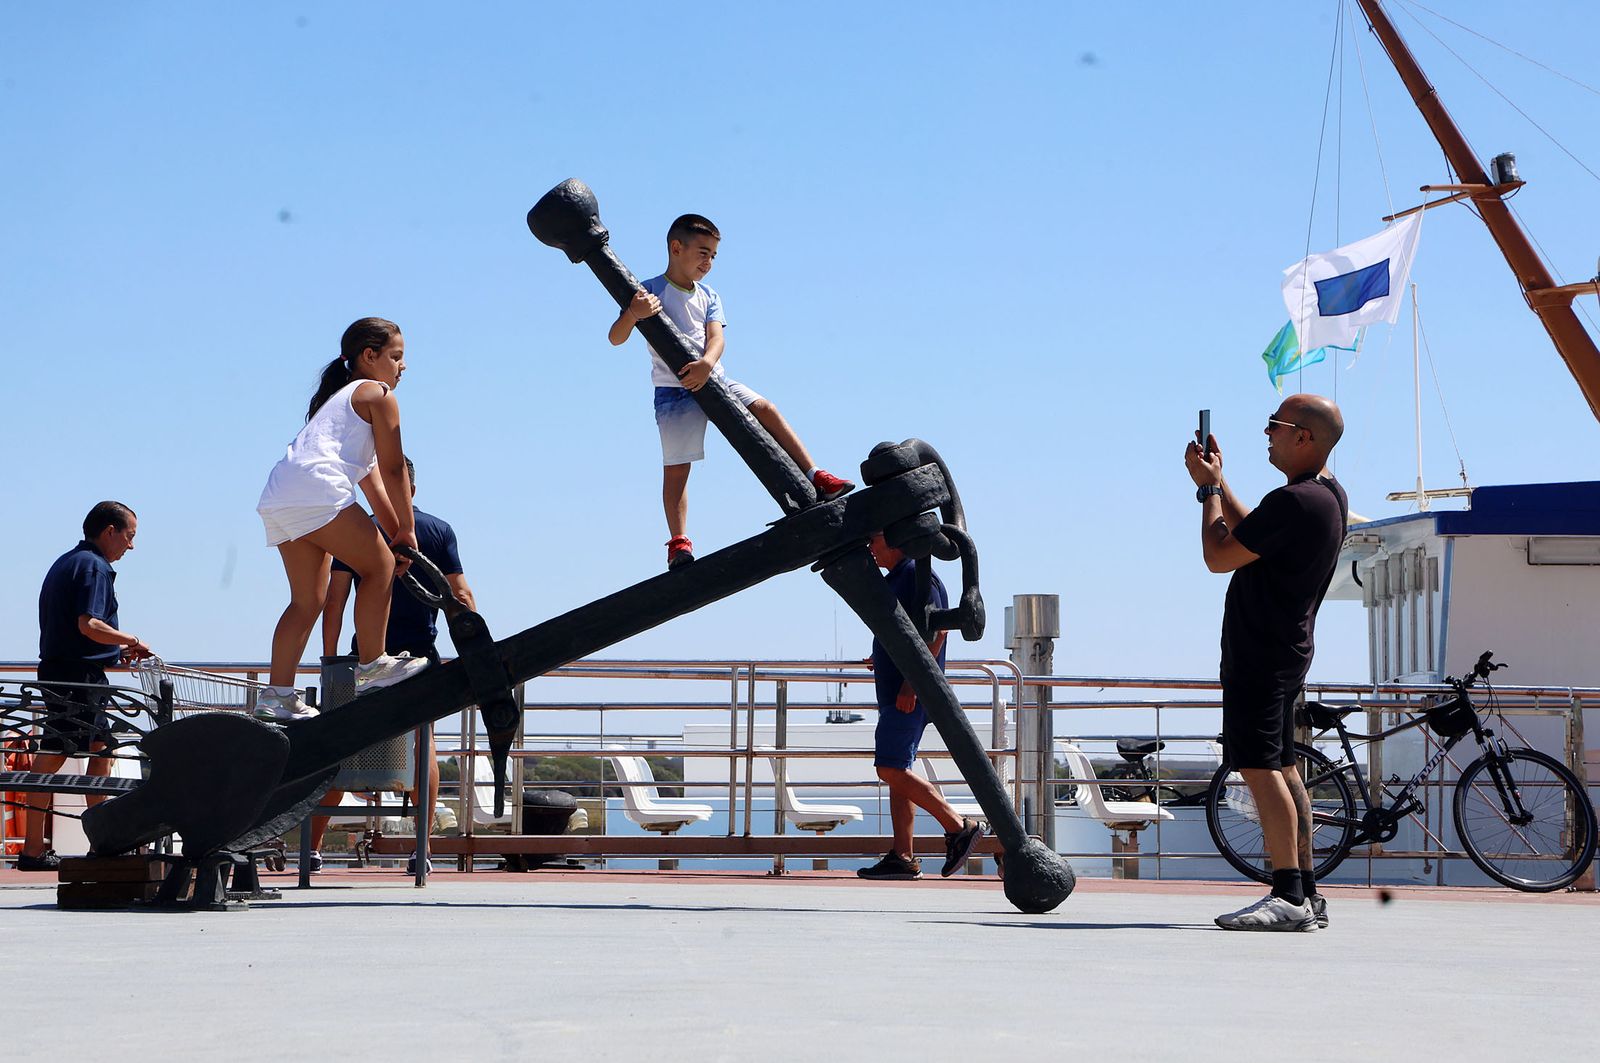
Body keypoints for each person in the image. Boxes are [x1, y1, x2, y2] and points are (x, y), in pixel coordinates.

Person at [607, 213, 855, 570]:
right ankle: (678, 541)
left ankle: (816, 475)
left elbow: (717, 337)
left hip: (715, 380)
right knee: (677, 469)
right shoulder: (648, 292)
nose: (708, 262)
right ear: (677, 248)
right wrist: (633, 312)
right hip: (673, 392)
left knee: (765, 408)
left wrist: (707, 364)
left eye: (713, 256)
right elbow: (616, 338)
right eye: (703, 253)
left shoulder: (709, 296)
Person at [1185, 394, 1348, 932]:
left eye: (1274, 426)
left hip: (1261, 653)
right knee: (1280, 766)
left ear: (1304, 437)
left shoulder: (1297, 501)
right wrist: (1219, 482)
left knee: (1257, 766)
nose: (1267, 434)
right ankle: (1305, 890)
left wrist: (1207, 492)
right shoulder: (1324, 497)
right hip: (1283, 650)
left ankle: (1288, 896)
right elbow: (1254, 529)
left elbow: (1218, 554)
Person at [254, 317, 431, 722]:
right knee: (380, 566)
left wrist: (397, 532)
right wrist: (406, 531)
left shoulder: (337, 407)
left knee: (308, 600)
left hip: (282, 495)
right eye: (396, 357)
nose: (402, 367)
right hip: (316, 490)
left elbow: (371, 483)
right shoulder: (378, 394)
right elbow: (393, 468)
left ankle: (277, 695)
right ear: (370, 356)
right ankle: (372, 665)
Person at [309, 456, 476, 873]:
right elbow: (461, 595)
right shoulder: (439, 530)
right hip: (422, 656)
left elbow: (336, 599)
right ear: (411, 490)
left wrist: (332, 660)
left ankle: (311, 847)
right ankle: (424, 849)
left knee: (341, 746)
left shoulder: (357, 531)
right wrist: (473, 646)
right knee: (425, 748)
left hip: (366, 658)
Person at [18, 501, 154, 871]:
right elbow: (88, 624)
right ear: (110, 530)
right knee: (66, 755)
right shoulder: (94, 567)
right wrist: (131, 640)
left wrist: (113, 654)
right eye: (129, 536)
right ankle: (63, 845)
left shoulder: (70, 562)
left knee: (96, 751)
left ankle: (96, 840)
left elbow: (77, 633)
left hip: (66, 673)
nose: (131, 545)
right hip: (77, 680)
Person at [856, 532, 984, 881]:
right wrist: (881, 655)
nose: (870, 547)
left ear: (895, 540)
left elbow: (936, 632)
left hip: (910, 693)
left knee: (889, 767)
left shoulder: (917, 574)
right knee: (899, 772)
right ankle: (902, 855)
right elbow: (910, 631)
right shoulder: (901, 577)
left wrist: (912, 683)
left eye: (875, 540)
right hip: (901, 690)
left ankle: (959, 827)